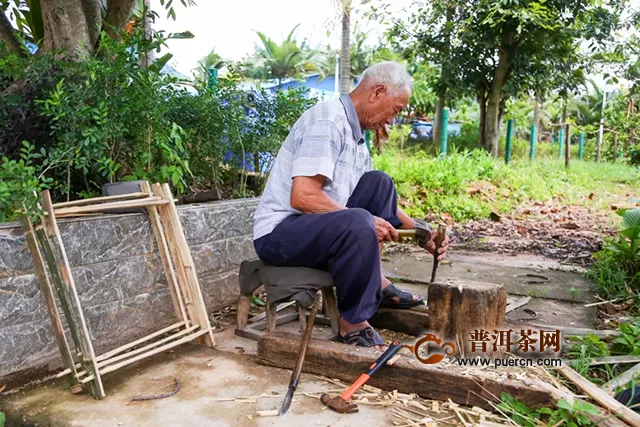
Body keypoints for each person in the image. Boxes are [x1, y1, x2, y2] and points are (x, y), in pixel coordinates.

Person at [252, 61, 449, 350]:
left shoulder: (356, 135)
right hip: (280, 234)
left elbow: (373, 203)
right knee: (358, 219)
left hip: (317, 230)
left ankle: (376, 283)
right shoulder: (328, 121)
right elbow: (303, 197)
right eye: (395, 110)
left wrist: (422, 233)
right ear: (377, 92)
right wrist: (363, 221)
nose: (392, 120)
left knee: (379, 182)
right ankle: (352, 323)